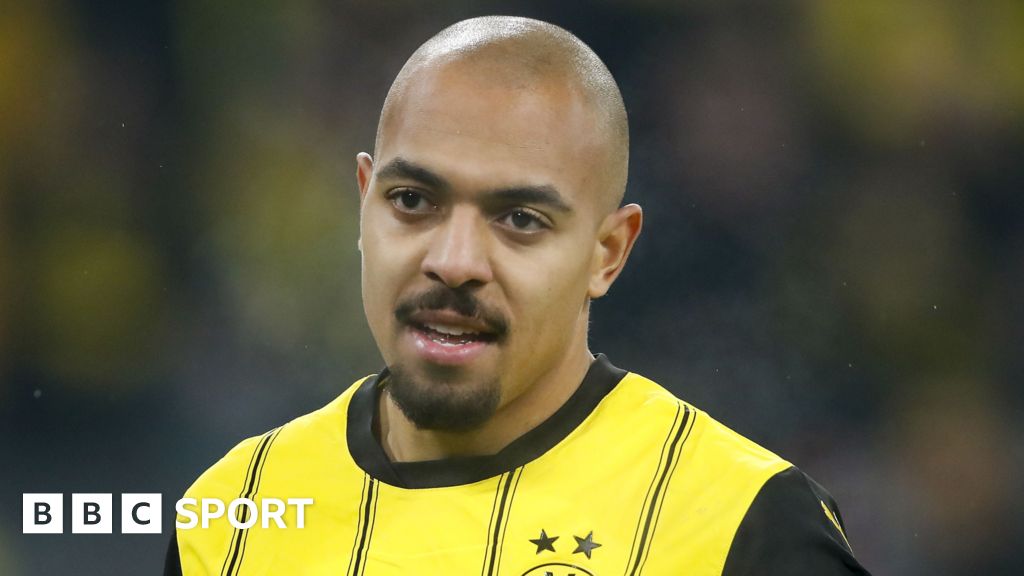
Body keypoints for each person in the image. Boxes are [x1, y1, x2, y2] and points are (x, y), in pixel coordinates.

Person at [165, 15, 869, 576]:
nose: (454, 263)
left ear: (607, 253)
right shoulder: (236, 513)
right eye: (412, 201)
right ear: (363, 203)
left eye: (520, 220)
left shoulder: (743, 524)